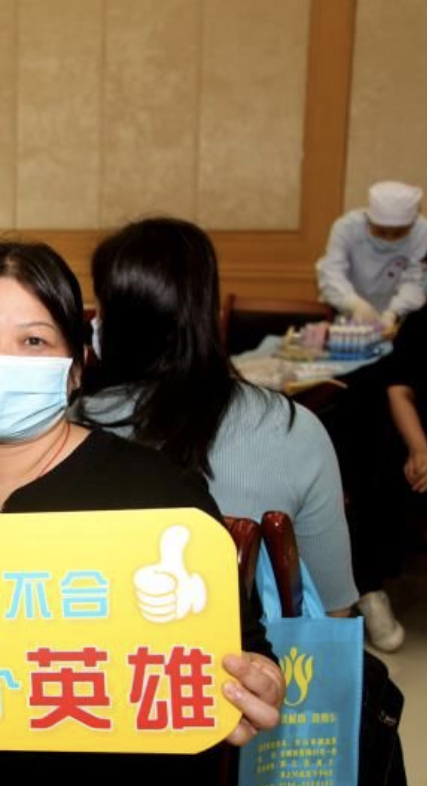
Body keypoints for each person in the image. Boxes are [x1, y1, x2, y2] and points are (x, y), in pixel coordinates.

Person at [0, 240, 283, 782]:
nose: (1, 362)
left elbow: (244, 651)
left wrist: (255, 683)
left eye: (34, 340)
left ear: (75, 369)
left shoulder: (158, 499)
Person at [75, 217, 359, 618]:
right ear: (207, 310)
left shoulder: (68, 428)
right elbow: (334, 606)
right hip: (259, 657)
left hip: (94, 651)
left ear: (117, 321)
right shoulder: (297, 430)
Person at [336, 305, 427, 651]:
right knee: (375, 476)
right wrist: (420, 450)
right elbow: (399, 390)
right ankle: (369, 589)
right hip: (409, 436)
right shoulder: (420, 324)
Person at [316, 180, 427, 327]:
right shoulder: (347, 227)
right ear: (369, 219)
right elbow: (331, 271)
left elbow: (414, 281)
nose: (389, 239)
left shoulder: (421, 232)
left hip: (396, 318)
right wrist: (353, 303)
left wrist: (393, 312)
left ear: (412, 224)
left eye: (399, 233)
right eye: (380, 231)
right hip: (348, 311)